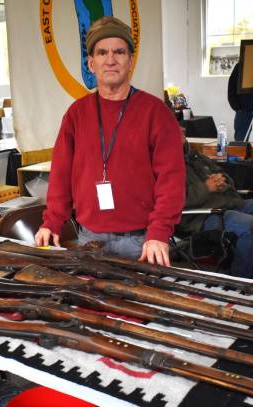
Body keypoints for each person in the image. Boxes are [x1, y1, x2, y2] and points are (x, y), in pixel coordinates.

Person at [35, 16, 186, 266]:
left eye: (119, 52)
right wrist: (52, 221)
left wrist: (159, 231)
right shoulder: (76, 114)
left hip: (143, 242)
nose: (111, 60)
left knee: (141, 305)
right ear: (91, 63)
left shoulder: (156, 112)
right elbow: (61, 175)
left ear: (130, 61)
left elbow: (171, 179)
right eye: (102, 52)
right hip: (89, 239)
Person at [179, 144, 253, 279]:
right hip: (200, 215)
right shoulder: (165, 162)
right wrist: (206, 188)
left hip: (230, 202)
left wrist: (223, 182)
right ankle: (239, 279)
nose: (182, 130)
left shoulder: (195, 156)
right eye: (178, 129)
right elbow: (170, 200)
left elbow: (226, 176)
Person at [227, 62, 253, 141]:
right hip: (244, 113)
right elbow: (231, 88)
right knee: (241, 144)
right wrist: (237, 108)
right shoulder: (240, 66)